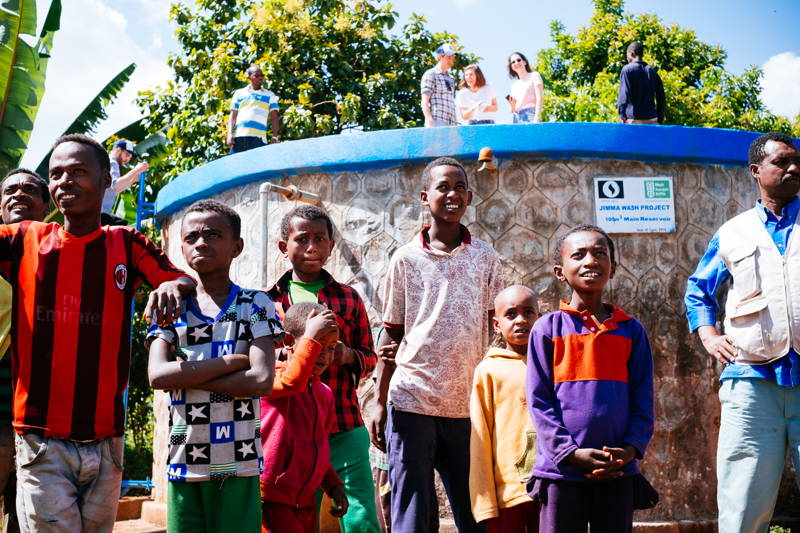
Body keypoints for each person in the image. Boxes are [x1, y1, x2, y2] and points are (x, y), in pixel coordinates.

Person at [0, 133, 195, 533]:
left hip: (107, 440)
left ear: (107, 180)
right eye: (56, 174)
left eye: (78, 172)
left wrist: (173, 286)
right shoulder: (23, 239)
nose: (64, 182)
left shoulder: (125, 242)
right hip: (41, 440)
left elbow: (179, 279)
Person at [371, 156, 505, 532]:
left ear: (470, 197)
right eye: (443, 187)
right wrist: (380, 402)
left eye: (459, 188)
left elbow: (499, 329)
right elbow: (391, 332)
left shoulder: (486, 258)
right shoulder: (405, 259)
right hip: (412, 398)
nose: (452, 194)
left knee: (475, 510)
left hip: (467, 405)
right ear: (424, 196)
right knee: (412, 510)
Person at [685, 132, 800, 532]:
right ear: (756, 171)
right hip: (751, 384)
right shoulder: (733, 232)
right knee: (743, 508)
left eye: (796, 161)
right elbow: (698, 290)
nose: (793, 168)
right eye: (782, 162)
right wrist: (709, 336)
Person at [147, 199, 283, 533]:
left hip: (240, 462)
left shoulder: (256, 304)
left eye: (213, 234)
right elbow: (157, 375)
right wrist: (230, 363)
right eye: (191, 237)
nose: (201, 242)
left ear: (236, 246)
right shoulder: (171, 306)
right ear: (181, 248)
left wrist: (189, 374)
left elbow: (262, 380)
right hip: (184, 463)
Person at [527, 225, 654, 533]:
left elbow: (643, 399)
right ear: (560, 271)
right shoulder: (547, 329)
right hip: (561, 471)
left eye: (600, 254)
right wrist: (570, 453)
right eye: (578, 255)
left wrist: (628, 450)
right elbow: (539, 402)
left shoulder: (631, 330)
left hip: (617, 471)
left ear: (613, 266)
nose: (591, 261)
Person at [268, 204, 380, 532]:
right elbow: (265, 365)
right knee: (300, 510)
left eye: (320, 239)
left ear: (331, 245)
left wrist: (347, 356)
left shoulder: (349, 298)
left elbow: (370, 358)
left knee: (359, 511)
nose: (312, 247)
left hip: (344, 422)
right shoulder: (267, 302)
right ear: (283, 247)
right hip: (290, 429)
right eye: (302, 239)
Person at [260, 301, 348, 532]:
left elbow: (319, 448)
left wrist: (333, 484)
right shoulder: (270, 378)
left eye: (331, 347)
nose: (324, 354)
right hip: (271, 501)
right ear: (289, 341)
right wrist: (310, 335)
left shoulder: (324, 394)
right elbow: (294, 381)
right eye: (317, 343)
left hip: (306, 503)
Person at [0, 168, 50, 533]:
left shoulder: (67, 256)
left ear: (46, 206)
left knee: (29, 520)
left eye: (29, 190)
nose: (18, 195)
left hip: (45, 420)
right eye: (9, 190)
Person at [470, 285, 540, 532]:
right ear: (497, 324)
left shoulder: (552, 365)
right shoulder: (489, 371)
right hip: (507, 493)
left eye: (529, 312)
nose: (521, 320)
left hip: (551, 485)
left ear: (539, 317)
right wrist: (484, 501)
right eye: (511, 314)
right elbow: (480, 439)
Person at [227, 64, 281, 154]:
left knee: (257, 167)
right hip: (239, 138)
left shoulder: (269, 95)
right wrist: (229, 134)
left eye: (262, 75)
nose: (260, 78)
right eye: (257, 75)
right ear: (249, 77)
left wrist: (275, 137)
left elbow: (275, 117)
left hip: (258, 140)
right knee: (237, 167)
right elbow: (233, 115)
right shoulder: (239, 93)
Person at [617, 41, 665, 125]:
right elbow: (661, 97)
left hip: (633, 119)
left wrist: (622, 116)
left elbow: (623, 95)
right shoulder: (652, 71)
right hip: (652, 119)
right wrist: (660, 119)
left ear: (631, 54)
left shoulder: (627, 70)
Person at [103, 139, 149, 225]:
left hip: (100, 213)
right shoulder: (112, 162)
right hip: (100, 214)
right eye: (127, 155)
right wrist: (136, 170)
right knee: (126, 231)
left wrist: (132, 179)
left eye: (130, 157)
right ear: (118, 150)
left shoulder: (109, 162)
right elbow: (116, 186)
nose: (127, 159)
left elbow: (116, 189)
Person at [421, 44, 459, 127]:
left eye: (453, 57)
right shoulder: (431, 74)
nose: (451, 60)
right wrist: (428, 119)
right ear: (439, 56)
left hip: (452, 123)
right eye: (448, 57)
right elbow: (424, 101)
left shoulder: (451, 78)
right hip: (437, 121)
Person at [507, 52, 544, 124]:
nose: (516, 63)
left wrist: (536, 119)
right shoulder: (514, 85)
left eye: (518, 60)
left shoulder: (534, 75)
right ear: (511, 67)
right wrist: (512, 106)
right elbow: (513, 110)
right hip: (516, 117)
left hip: (531, 115)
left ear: (524, 62)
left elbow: (539, 98)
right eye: (513, 62)